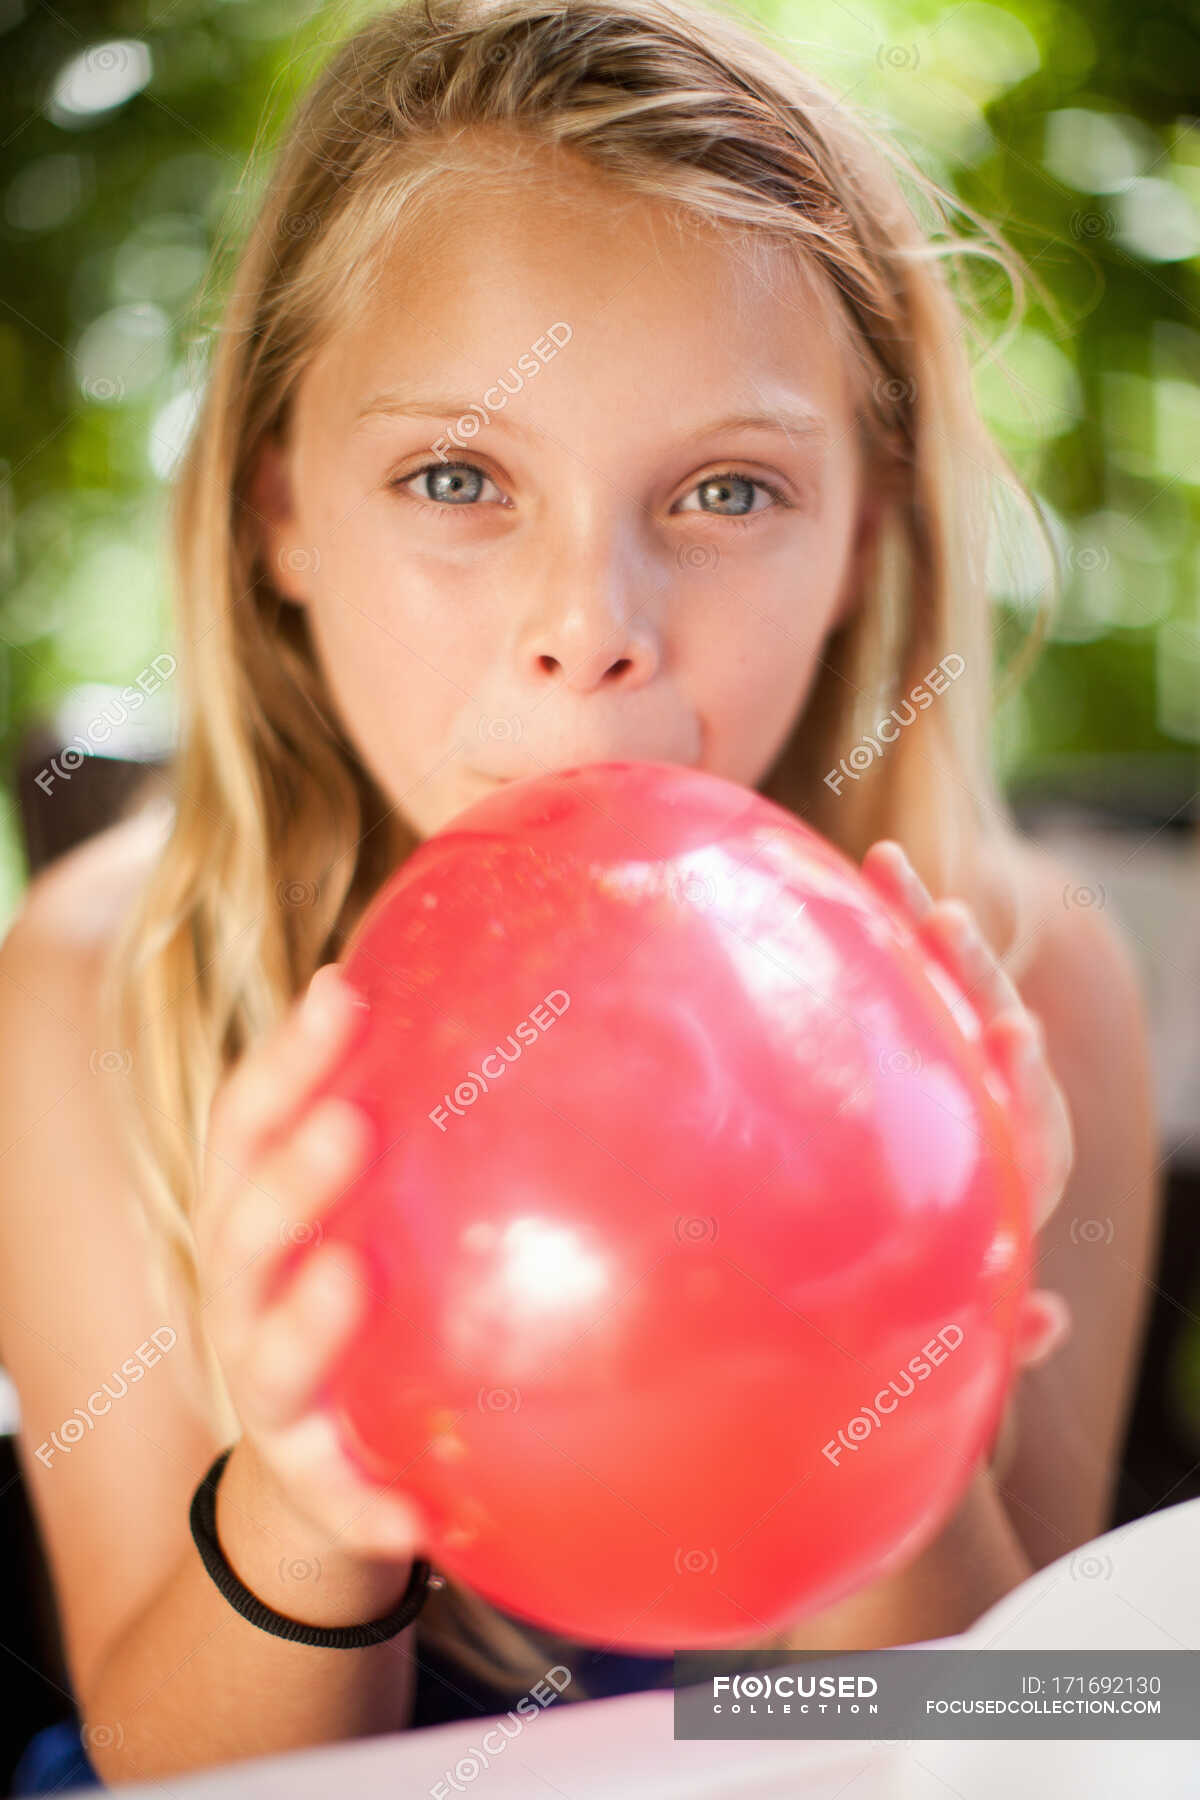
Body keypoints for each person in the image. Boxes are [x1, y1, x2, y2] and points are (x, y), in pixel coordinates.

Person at [0, 0, 1160, 1785]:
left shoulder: (1016, 990)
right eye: (458, 477)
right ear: (280, 513)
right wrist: (310, 1490)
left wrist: (904, 1418)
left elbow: (987, 1743)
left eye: (724, 487)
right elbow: (173, 1769)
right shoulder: (100, 985)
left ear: (864, 537)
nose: (591, 631)